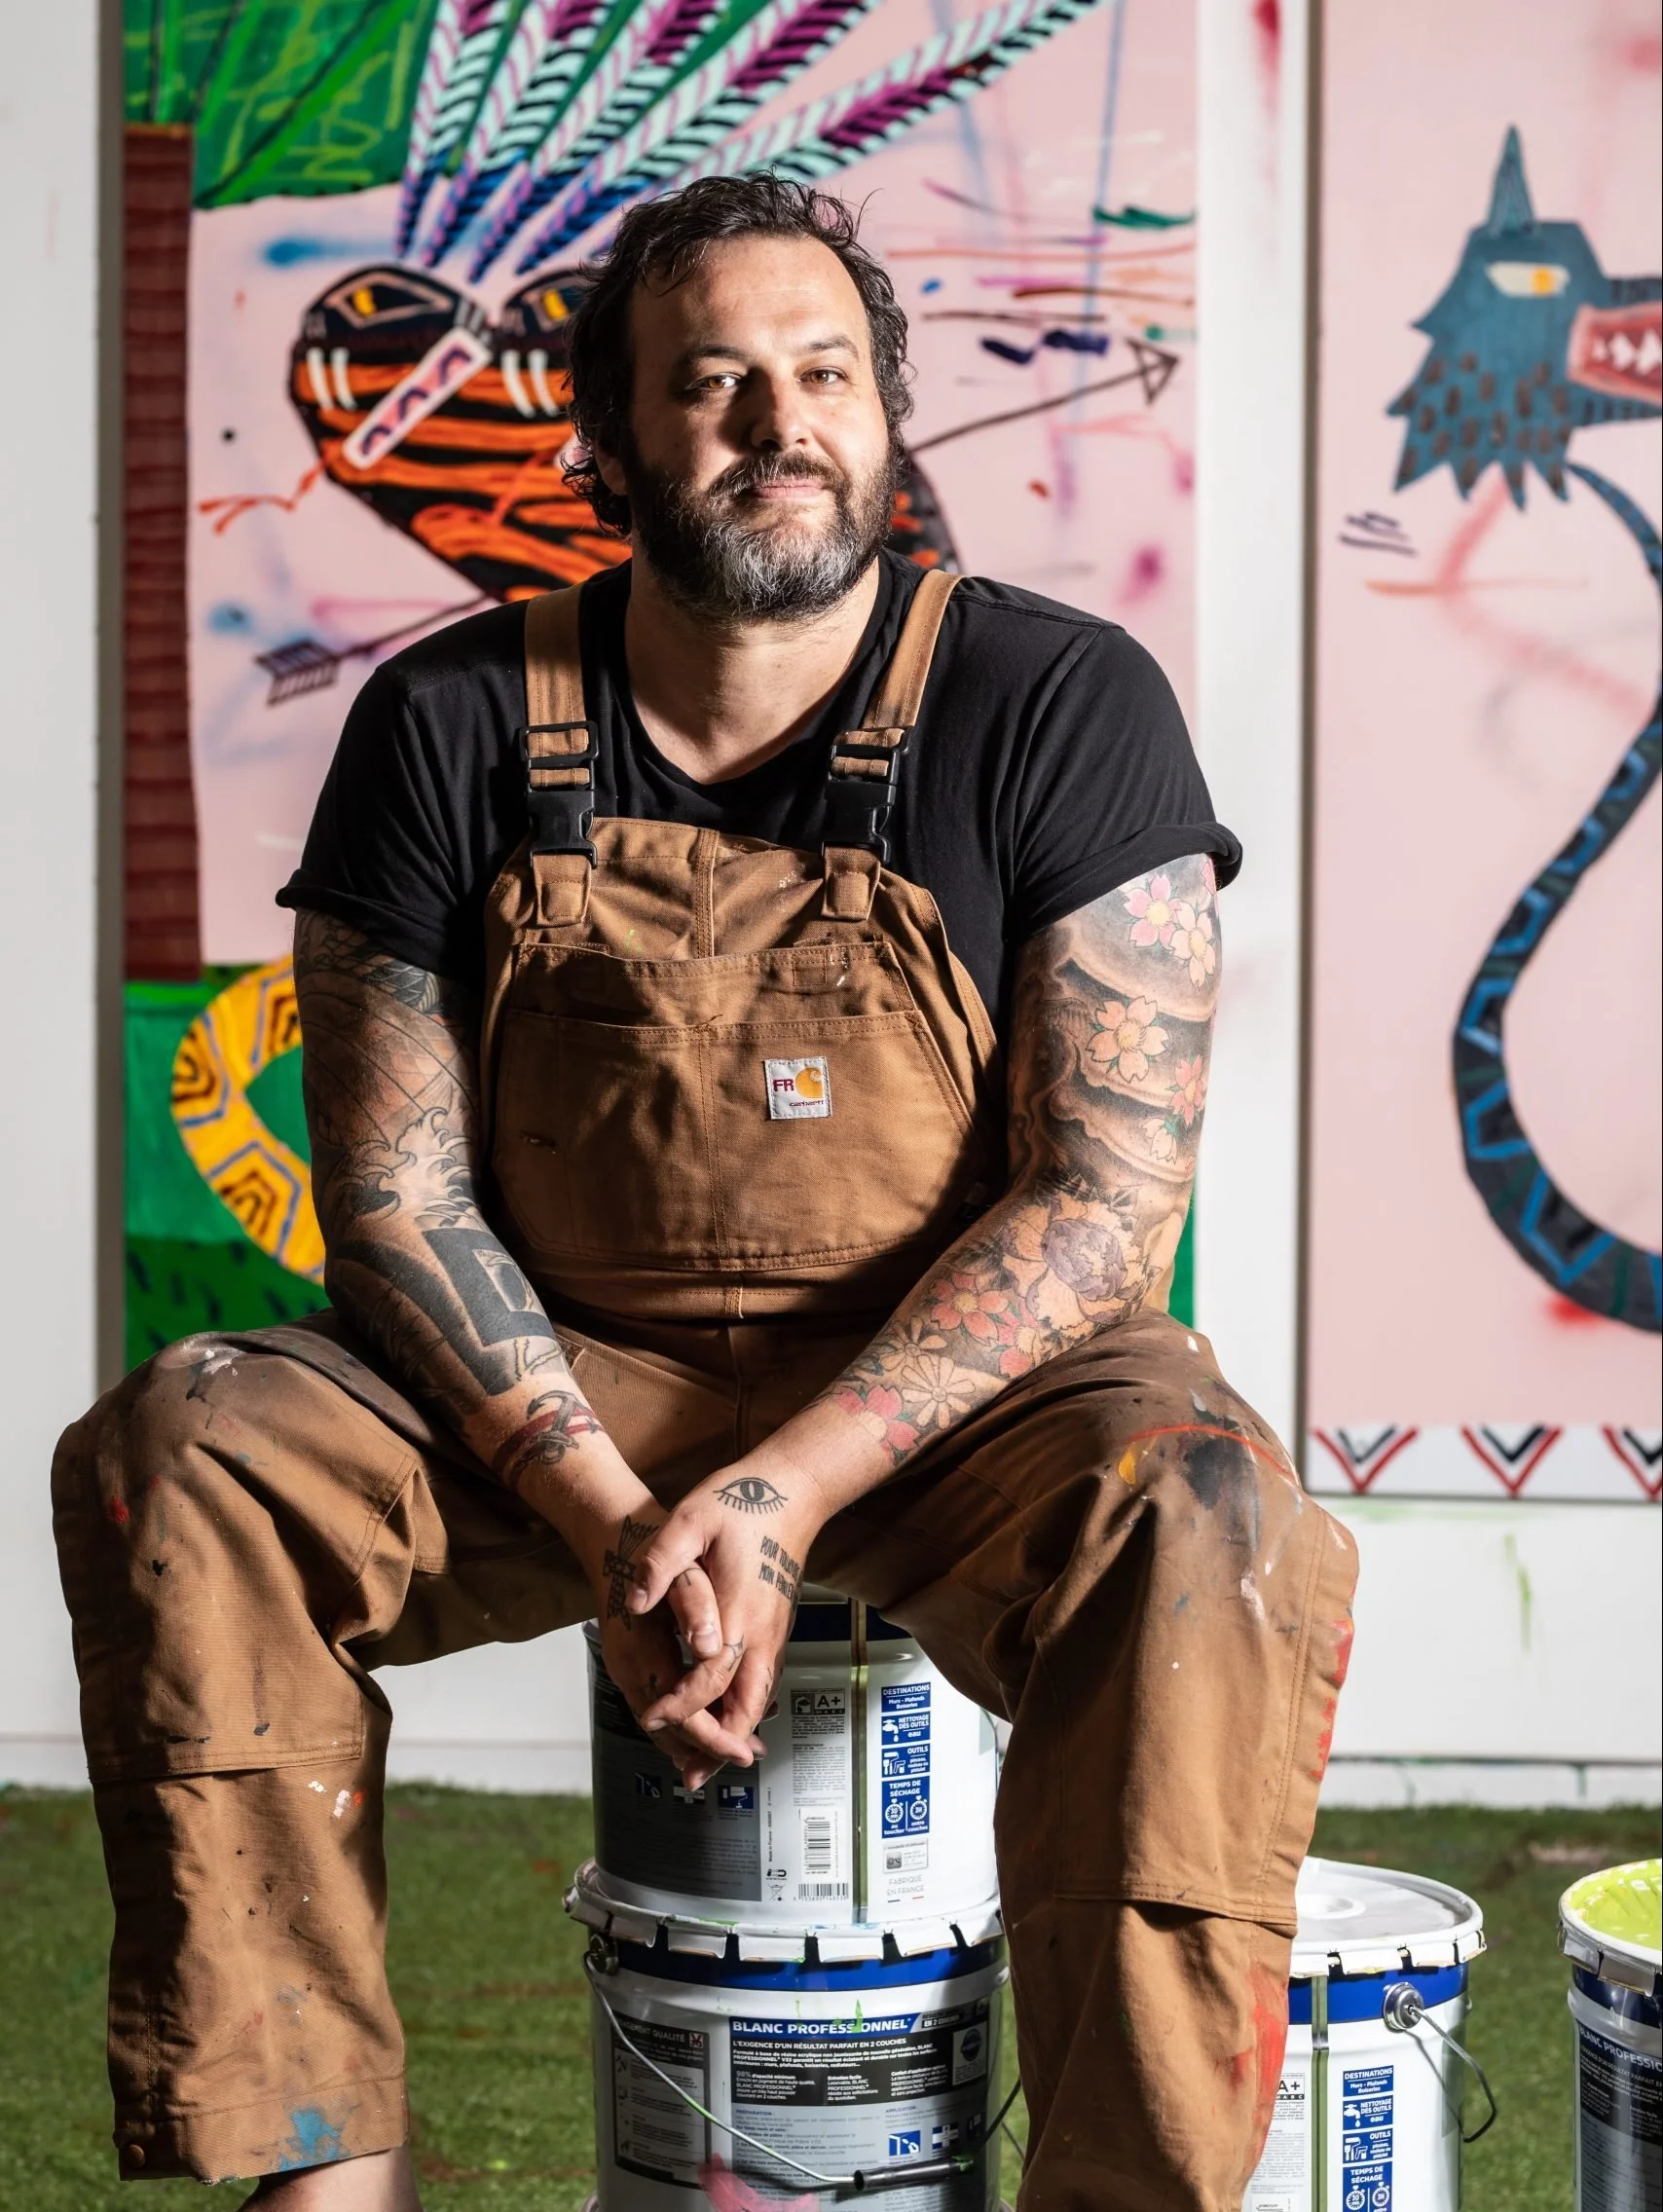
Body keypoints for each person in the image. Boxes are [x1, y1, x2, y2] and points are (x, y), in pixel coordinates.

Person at [54, 173, 1356, 2210]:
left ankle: (1123, 2189)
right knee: (189, 1446)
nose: (781, 424)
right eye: (715, 381)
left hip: (946, 1402)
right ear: (607, 435)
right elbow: (393, 1202)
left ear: (890, 406)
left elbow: (1100, 1199)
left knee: (1199, 1506)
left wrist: (781, 1486)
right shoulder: (449, 718)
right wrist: (603, 1503)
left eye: (825, 371)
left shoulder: (1056, 699)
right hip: (550, 1386)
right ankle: (318, 2166)